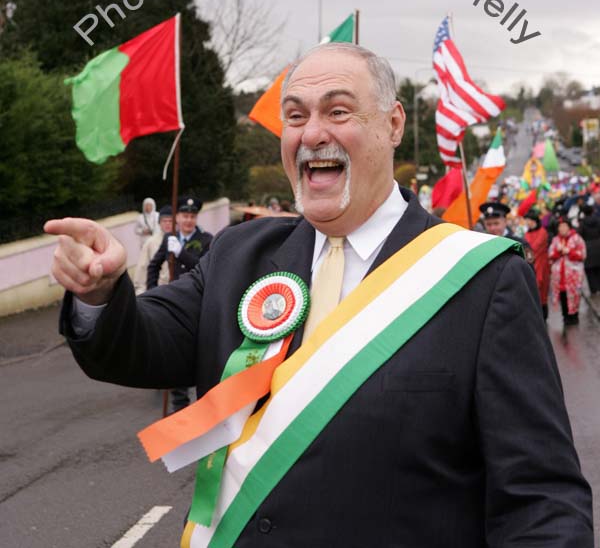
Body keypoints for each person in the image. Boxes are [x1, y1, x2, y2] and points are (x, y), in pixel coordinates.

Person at [44, 43, 593, 547]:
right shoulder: (240, 254)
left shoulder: (481, 279)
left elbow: (541, 500)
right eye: (296, 116)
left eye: (337, 111)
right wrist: (100, 291)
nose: (311, 134)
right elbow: (139, 341)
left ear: (394, 123)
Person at [147, 196, 213, 413]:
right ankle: (180, 411)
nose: (188, 220)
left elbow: (206, 268)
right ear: (177, 217)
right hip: (175, 306)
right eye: (185, 215)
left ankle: (205, 409)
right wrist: (153, 292)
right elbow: (153, 266)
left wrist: (181, 254)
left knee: (202, 356)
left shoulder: (206, 240)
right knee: (176, 353)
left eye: (192, 216)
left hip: (199, 306)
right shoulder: (170, 238)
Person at [549, 217, 586, 328]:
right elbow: (550, 256)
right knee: (563, 296)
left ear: (569, 226)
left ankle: (574, 316)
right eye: (560, 226)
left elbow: (582, 255)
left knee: (574, 295)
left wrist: (569, 251)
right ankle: (565, 316)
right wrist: (558, 251)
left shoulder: (577, 238)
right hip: (559, 276)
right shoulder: (555, 240)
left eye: (564, 226)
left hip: (573, 275)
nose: (562, 228)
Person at [133, 205, 173, 295]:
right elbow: (142, 267)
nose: (167, 224)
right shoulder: (150, 243)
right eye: (164, 221)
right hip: (160, 288)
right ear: (159, 223)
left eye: (170, 221)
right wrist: (141, 291)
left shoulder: (181, 239)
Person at [523, 209, 551, 320]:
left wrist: (528, 249)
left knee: (542, 290)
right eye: (527, 220)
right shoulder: (527, 234)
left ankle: (543, 316)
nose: (527, 222)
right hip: (531, 264)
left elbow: (534, 247)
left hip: (541, 265)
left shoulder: (543, 232)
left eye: (529, 220)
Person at [579, 204, 600, 296]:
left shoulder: (582, 223)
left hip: (587, 247)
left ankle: (594, 289)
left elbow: (580, 235)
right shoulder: (598, 220)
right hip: (598, 245)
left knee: (590, 271)